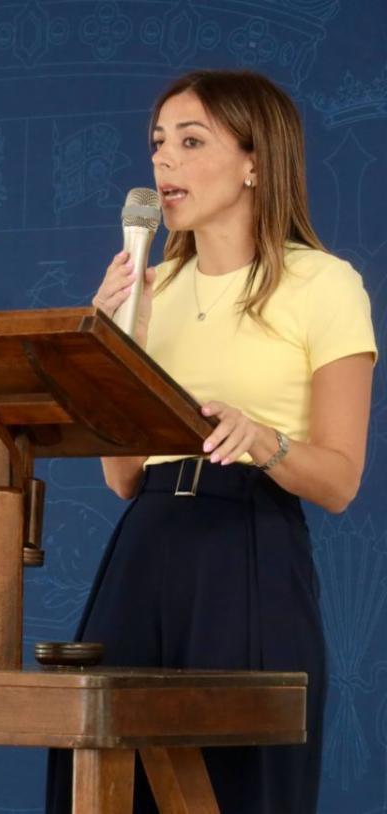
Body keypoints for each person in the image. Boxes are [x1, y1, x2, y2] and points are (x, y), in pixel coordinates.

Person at [45, 69, 377, 813]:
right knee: (100, 777)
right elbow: (123, 478)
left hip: (247, 547)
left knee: (236, 781)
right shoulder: (148, 289)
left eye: (192, 141)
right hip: (146, 544)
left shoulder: (323, 284)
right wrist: (113, 349)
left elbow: (340, 481)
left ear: (256, 162)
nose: (164, 159)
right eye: (158, 142)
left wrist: (263, 440)